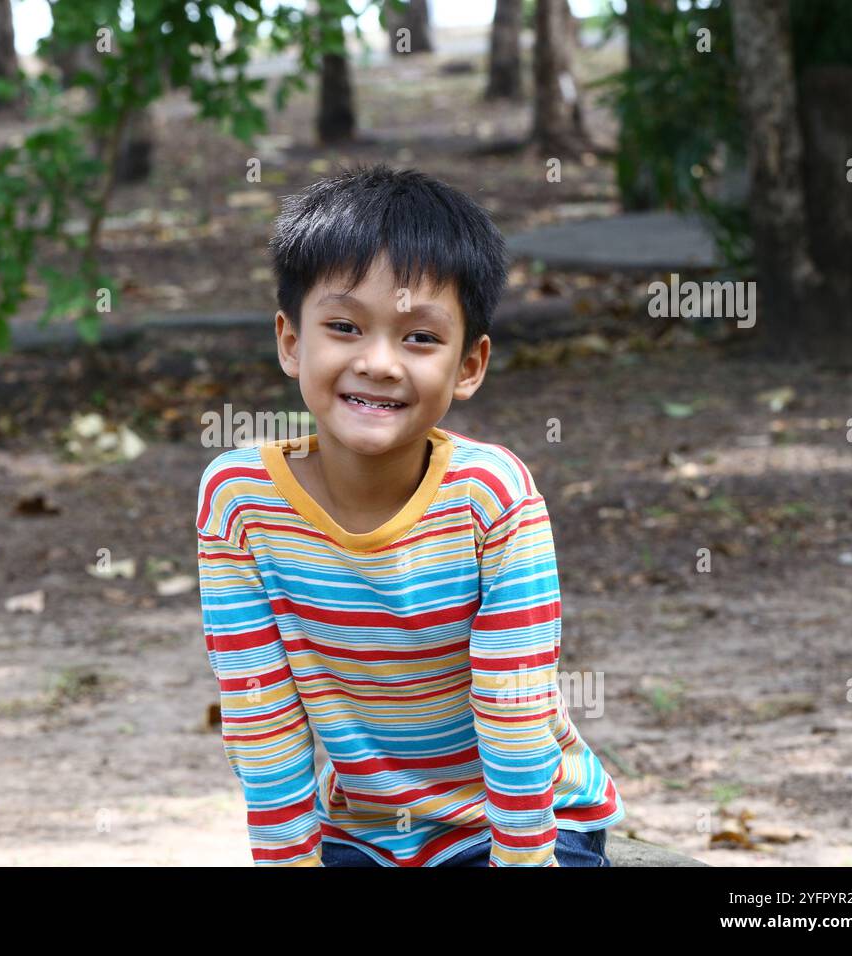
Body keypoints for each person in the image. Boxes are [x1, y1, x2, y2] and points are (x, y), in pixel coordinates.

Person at [196, 163, 625, 866]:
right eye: (343, 326)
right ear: (291, 340)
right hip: (359, 834)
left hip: (517, 825)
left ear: (469, 364)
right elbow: (259, 709)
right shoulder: (240, 502)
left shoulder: (492, 498)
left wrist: (521, 860)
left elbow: (512, 703)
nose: (380, 362)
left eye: (420, 338)